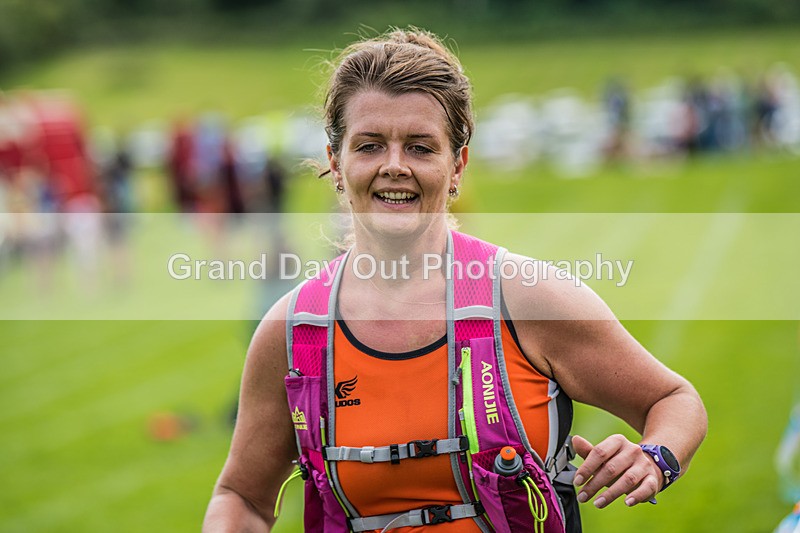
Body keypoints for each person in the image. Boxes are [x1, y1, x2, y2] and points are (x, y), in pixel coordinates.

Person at [203, 28, 707, 533]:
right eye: (370, 146)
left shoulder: (525, 300)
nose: (394, 166)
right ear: (337, 162)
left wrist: (655, 458)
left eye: (421, 148)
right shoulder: (295, 332)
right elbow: (242, 496)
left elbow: (674, 401)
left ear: (457, 164)